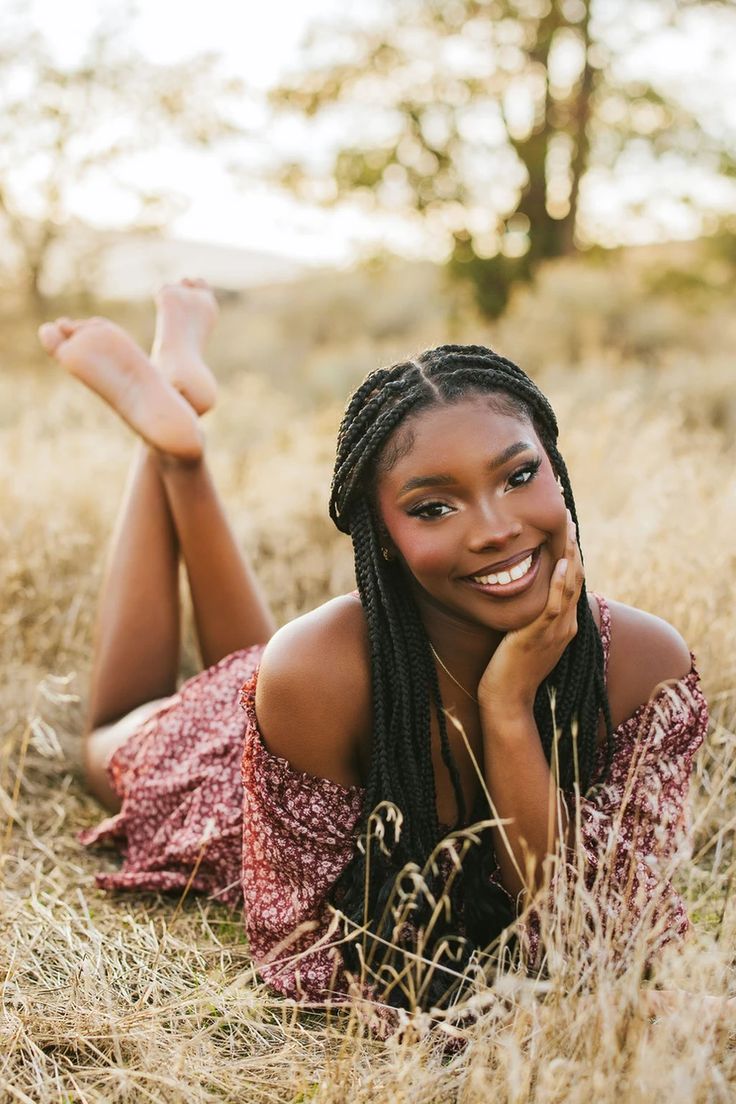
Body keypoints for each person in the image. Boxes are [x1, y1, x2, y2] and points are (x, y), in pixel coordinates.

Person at [37, 282, 708, 1012]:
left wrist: (508, 708)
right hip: (249, 792)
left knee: (279, 663)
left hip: (315, 701)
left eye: (519, 476)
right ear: (380, 540)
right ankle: (172, 448)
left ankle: (177, 420)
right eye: (433, 507)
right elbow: (303, 952)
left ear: (558, 469)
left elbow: (604, 940)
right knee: (117, 729)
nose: (494, 528)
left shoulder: (645, 664)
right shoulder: (314, 672)